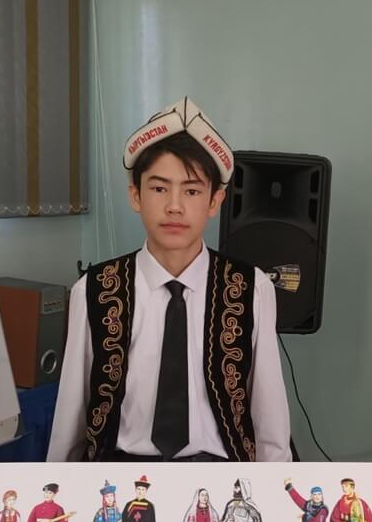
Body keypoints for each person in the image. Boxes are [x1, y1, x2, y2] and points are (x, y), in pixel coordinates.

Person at [47, 98, 292, 464]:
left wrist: (274, 485)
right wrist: (58, 482)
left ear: (215, 201)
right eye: (159, 189)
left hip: (219, 475)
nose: (174, 206)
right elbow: (71, 414)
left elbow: (269, 414)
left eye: (192, 191)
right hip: (121, 475)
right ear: (135, 195)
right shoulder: (95, 290)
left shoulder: (250, 288)